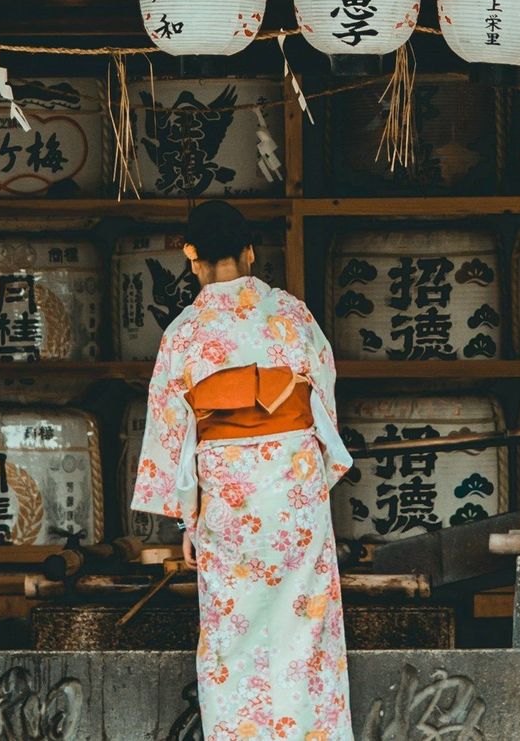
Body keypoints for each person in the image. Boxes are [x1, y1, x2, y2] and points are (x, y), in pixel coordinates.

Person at [131, 200, 355, 740]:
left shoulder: (183, 334)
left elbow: (172, 430)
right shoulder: (291, 315)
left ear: (191, 256)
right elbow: (321, 395)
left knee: (232, 635)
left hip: (228, 494)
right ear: (250, 251)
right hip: (293, 487)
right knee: (307, 628)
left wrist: (189, 516)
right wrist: (307, 476)